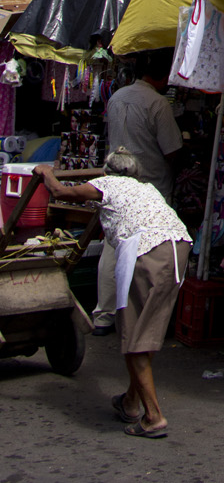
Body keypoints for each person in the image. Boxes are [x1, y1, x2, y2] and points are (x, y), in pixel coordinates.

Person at [38, 150, 191, 438]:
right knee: (145, 332)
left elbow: (60, 191)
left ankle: (153, 417)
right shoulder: (146, 188)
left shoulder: (107, 184)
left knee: (133, 335)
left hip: (146, 248)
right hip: (177, 245)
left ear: (107, 172)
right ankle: (131, 402)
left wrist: (46, 172)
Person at [92, 49, 183, 334]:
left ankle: (104, 315)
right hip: (150, 187)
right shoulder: (157, 104)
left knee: (112, 247)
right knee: (151, 252)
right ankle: (141, 317)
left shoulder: (118, 96)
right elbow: (172, 150)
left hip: (118, 181)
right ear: (163, 75)